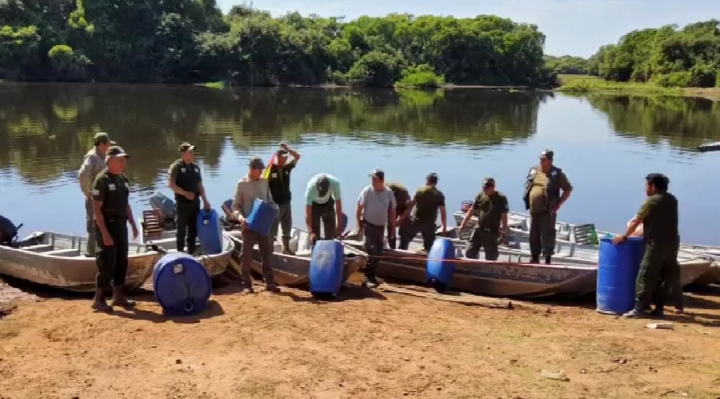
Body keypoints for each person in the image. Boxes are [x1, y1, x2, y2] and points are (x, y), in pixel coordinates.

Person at [612, 173, 682, 318]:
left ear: (653, 186)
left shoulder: (650, 202)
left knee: (645, 274)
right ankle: (659, 308)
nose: (645, 189)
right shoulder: (672, 199)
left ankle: (639, 308)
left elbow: (636, 221)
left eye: (646, 186)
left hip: (656, 244)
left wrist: (625, 236)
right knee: (665, 275)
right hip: (672, 243)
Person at [90, 146, 139, 311]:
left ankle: (118, 296)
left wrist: (132, 223)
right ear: (109, 161)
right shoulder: (101, 180)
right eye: (119, 160)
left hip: (120, 226)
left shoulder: (123, 179)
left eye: (124, 160)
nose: (123, 163)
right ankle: (99, 299)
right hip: (106, 226)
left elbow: (125, 204)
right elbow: (96, 209)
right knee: (107, 263)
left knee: (121, 261)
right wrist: (104, 233)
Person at [231, 156, 279, 293]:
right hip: (248, 225)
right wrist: (241, 219)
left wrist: (275, 210)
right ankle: (246, 284)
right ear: (251, 169)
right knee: (246, 254)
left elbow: (270, 201)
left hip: (264, 224)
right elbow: (235, 207)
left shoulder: (264, 182)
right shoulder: (242, 184)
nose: (261, 172)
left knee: (267, 252)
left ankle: (269, 282)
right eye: (259, 170)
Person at [522, 149, 573, 264]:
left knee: (548, 235)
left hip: (547, 211)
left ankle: (547, 260)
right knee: (533, 235)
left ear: (550, 160)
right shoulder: (534, 170)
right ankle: (534, 258)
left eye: (544, 159)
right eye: (540, 159)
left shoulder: (557, 174)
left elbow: (568, 189)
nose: (541, 161)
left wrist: (558, 205)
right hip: (533, 210)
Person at [356, 170, 397, 288]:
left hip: (381, 227)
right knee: (371, 251)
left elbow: (392, 210)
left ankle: (373, 276)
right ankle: (367, 278)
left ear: (381, 181)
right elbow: (359, 208)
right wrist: (358, 224)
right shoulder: (367, 191)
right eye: (372, 179)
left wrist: (393, 228)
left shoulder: (388, 193)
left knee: (379, 251)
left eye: (375, 179)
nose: (372, 181)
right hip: (369, 225)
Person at [167, 143, 211, 254]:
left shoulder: (195, 167)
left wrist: (205, 201)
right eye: (189, 152)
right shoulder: (176, 167)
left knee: (193, 229)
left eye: (193, 152)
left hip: (195, 203)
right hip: (182, 203)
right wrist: (184, 193)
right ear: (183, 153)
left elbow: (200, 185)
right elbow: (171, 184)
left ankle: (191, 252)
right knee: (181, 229)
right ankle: (180, 252)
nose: (192, 154)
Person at [78, 132, 115, 257]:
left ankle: (105, 252)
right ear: (100, 144)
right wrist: (87, 192)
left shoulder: (106, 155)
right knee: (94, 226)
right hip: (94, 198)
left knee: (108, 224)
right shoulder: (91, 157)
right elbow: (83, 175)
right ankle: (91, 254)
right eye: (107, 143)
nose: (109, 146)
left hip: (107, 198)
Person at [458, 178, 509, 261]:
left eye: (487, 188)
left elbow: (504, 215)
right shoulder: (480, 196)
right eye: (483, 188)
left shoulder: (501, 198)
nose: (485, 190)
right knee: (470, 251)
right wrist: (462, 225)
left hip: (491, 232)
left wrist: (504, 230)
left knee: (491, 257)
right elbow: (471, 211)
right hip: (479, 228)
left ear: (493, 187)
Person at [398, 173, 447, 252]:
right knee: (430, 247)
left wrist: (401, 220)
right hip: (429, 224)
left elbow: (410, 207)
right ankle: (428, 259)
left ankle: (400, 253)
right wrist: (444, 226)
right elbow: (443, 213)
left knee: (405, 239)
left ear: (427, 181)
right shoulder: (439, 195)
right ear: (436, 182)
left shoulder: (420, 190)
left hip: (416, 221)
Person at [267, 143, 301, 254]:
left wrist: (287, 149)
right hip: (275, 203)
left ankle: (286, 248)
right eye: (282, 158)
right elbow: (263, 184)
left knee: (287, 225)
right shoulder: (270, 170)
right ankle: (270, 248)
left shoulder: (287, 168)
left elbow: (297, 157)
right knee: (273, 227)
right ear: (277, 158)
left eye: (286, 158)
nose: (284, 160)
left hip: (286, 202)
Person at [305, 173, 343, 244]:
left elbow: (338, 206)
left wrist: (339, 226)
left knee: (331, 235)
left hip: (328, 203)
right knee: (315, 236)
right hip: (314, 205)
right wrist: (310, 233)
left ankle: (330, 250)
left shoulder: (335, 183)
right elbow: (308, 213)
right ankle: (315, 250)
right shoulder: (311, 188)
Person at [384, 181, 411, 250]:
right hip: (390, 201)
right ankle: (392, 245)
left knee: (405, 223)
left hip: (401, 202)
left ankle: (403, 246)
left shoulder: (403, 195)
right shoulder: (383, 193)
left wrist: (399, 221)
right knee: (390, 225)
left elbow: (408, 209)